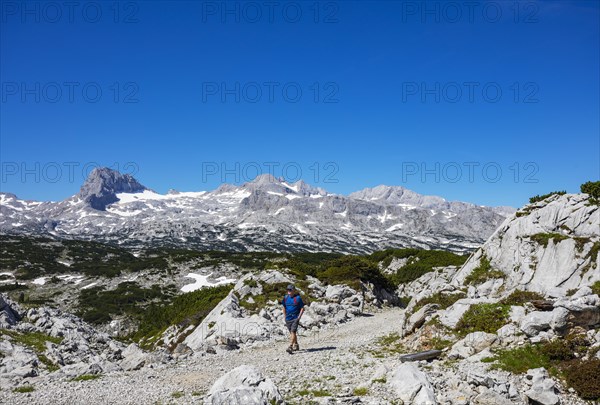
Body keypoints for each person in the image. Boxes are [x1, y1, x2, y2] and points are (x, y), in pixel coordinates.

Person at [281, 284, 305, 353]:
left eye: (290, 290)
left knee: (293, 331)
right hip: (288, 318)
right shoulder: (285, 298)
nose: (289, 291)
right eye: (288, 289)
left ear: (293, 290)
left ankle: (290, 346)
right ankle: (296, 344)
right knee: (292, 333)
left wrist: (299, 317)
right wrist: (285, 317)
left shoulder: (298, 298)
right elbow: (284, 307)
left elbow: (302, 308)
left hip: (295, 318)